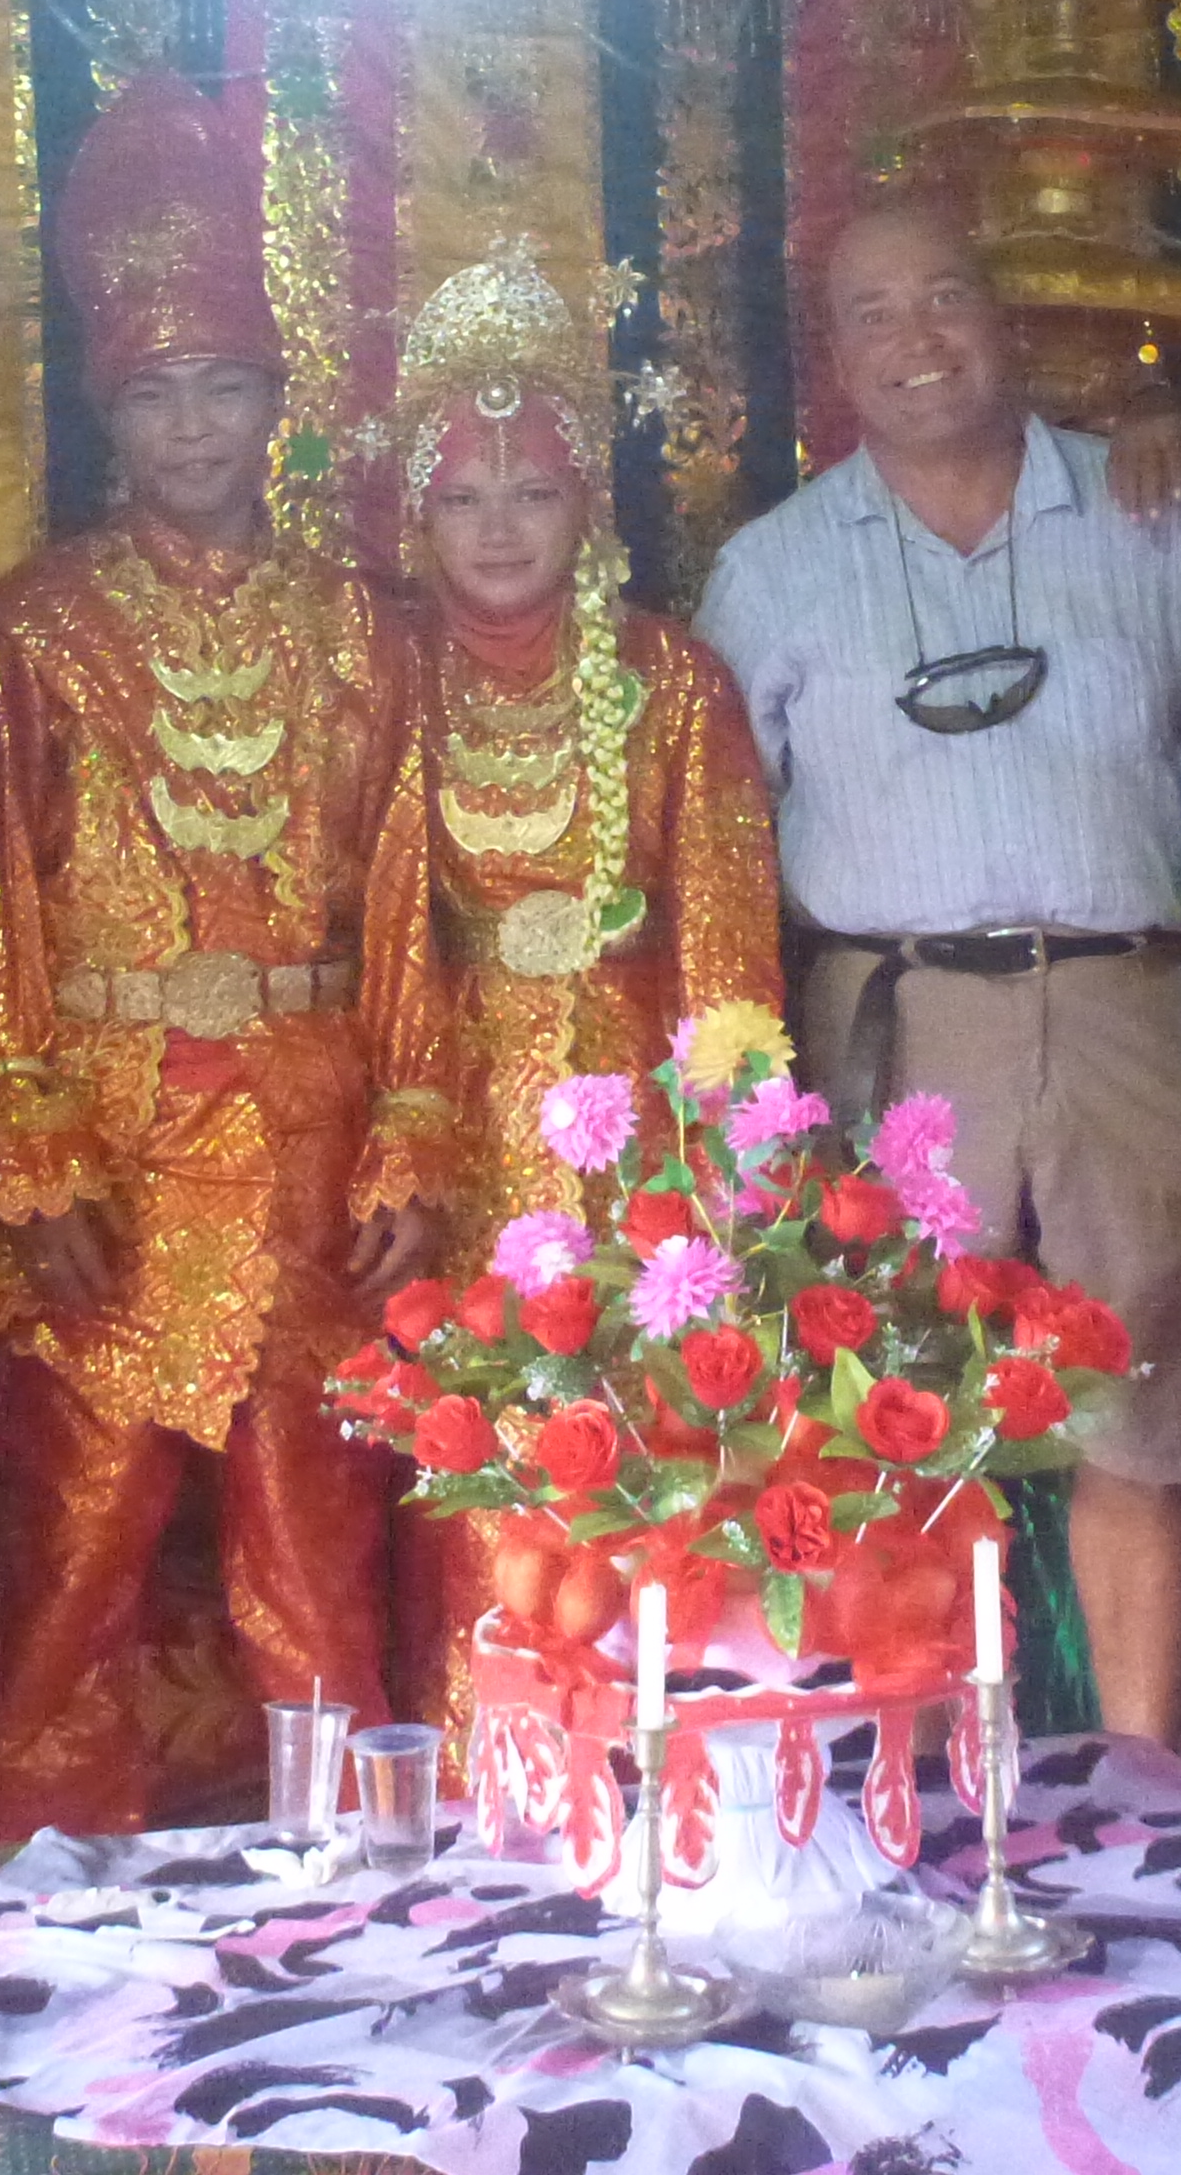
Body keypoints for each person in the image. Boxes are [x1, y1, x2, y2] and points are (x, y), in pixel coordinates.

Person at [0, 69, 460, 1842]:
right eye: (154, 392)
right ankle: (43, 1905)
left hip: (308, 1150)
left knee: (317, 1551)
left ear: (276, 403)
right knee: (74, 1552)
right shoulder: (36, 628)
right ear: (109, 411)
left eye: (224, 385)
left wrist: (413, 1134)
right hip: (110, 1147)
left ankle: (352, 1906)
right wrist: (27, 1153)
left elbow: (407, 899)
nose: (191, 426)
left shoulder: (363, 629)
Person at [695, 197, 1181, 1742]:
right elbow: (717, 834)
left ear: (1005, 319)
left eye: (945, 296)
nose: (916, 340)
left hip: (1128, 1003)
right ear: (833, 357)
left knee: (1141, 1410)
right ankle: (916, 1783)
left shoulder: (1154, 514)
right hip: (897, 1020)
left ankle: (1139, 1783)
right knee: (896, 1416)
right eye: (872, 314)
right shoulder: (775, 570)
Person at [380, 247, 784, 1747]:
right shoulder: (383, 680)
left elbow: (730, 956)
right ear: (417, 514)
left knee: (629, 1444)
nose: (498, 527)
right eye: (463, 497)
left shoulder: (674, 686)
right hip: (450, 1133)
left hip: (631, 1149)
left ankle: (630, 1767)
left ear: (589, 507)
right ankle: (476, 1762)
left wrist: (730, 1182)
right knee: (467, 1434)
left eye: (532, 492)